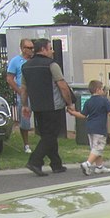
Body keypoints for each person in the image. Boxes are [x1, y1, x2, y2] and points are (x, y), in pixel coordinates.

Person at [21, 38, 74, 176]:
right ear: (43, 50)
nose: (52, 51)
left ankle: (56, 164)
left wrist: (25, 105)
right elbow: (62, 86)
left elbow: (24, 88)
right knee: (50, 136)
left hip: (37, 106)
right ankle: (35, 161)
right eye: (50, 48)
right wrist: (69, 103)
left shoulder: (26, 66)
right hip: (53, 106)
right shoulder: (52, 65)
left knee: (47, 135)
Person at [67, 80, 110, 174]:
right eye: (102, 89)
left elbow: (83, 115)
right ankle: (87, 164)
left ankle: (99, 167)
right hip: (100, 128)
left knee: (95, 147)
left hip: (90, 128)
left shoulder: (88, 101)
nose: (103, 91)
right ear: (97, 90)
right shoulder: (104, 100)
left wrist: (72, 113)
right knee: (98, 148)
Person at [6, 38, 34, 153]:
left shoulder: (35, 60)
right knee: (25, 119)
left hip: (36, 93)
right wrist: (20, 91)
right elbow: (10, 78)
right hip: (24, 95)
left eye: (32, 47)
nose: (31, 50)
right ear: (23, 49)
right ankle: (26, 144)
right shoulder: (15, 61)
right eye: (29, 48)